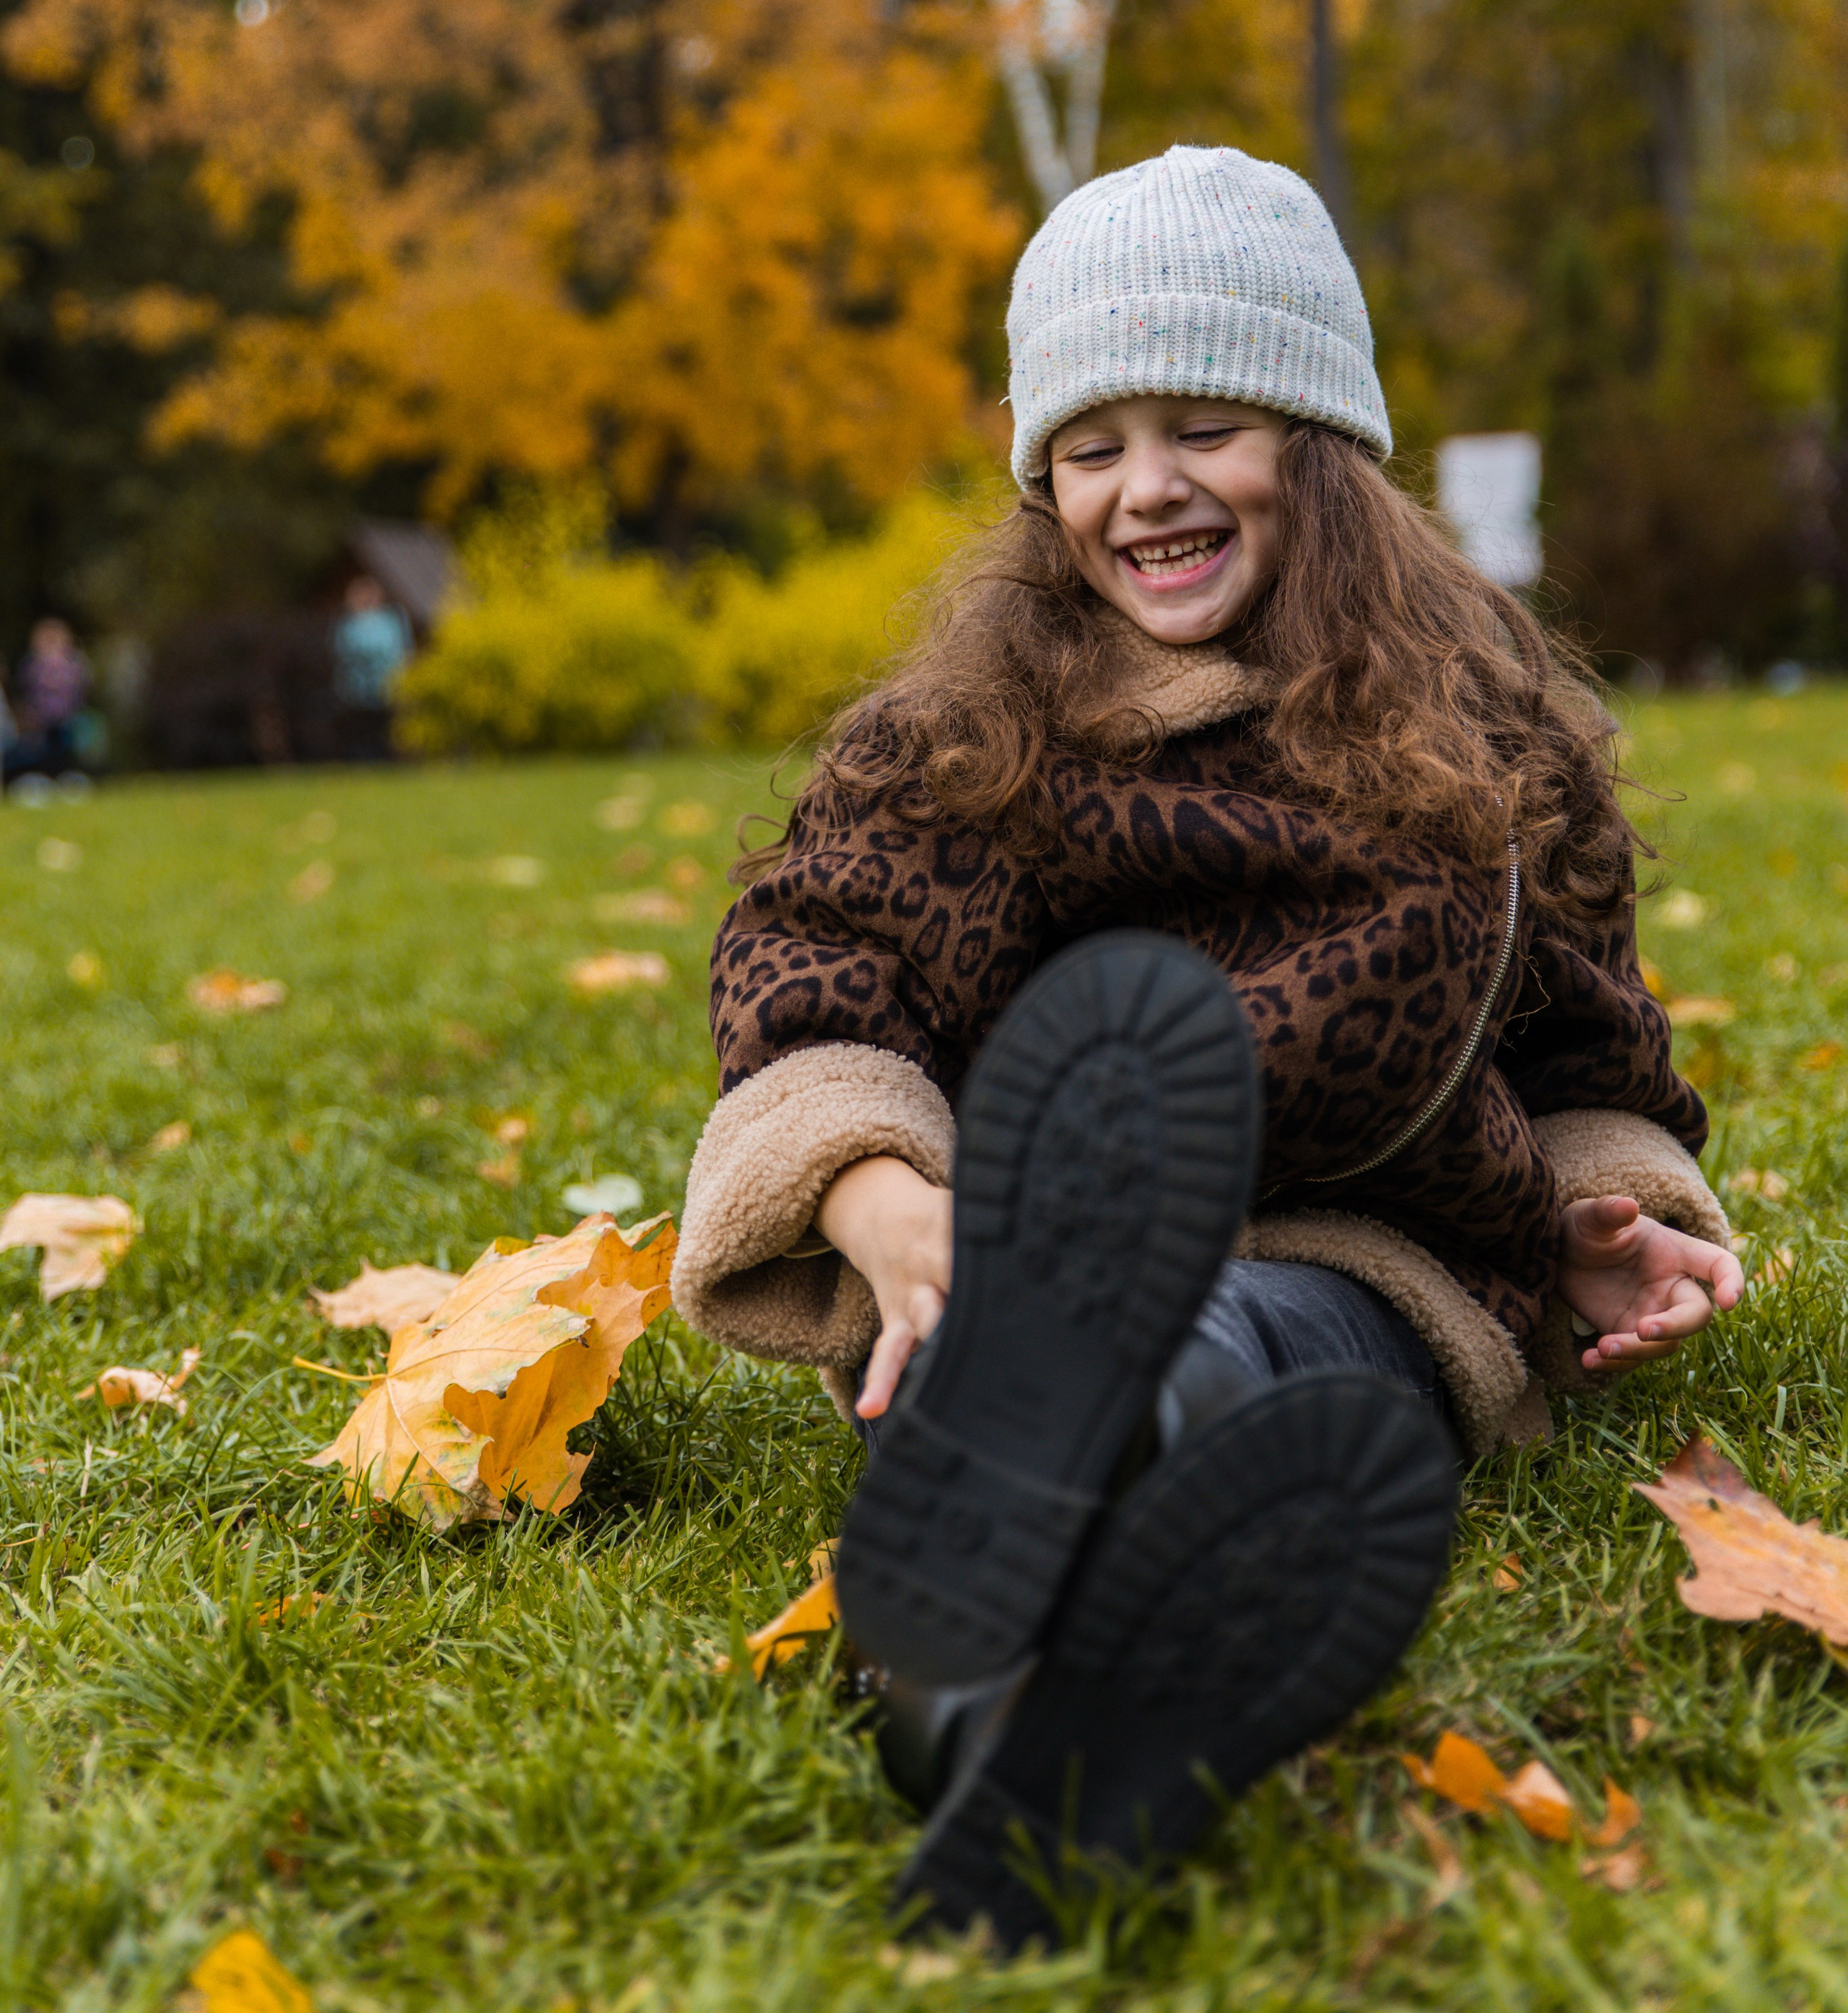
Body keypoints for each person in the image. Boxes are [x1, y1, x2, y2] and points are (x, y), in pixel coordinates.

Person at [671, 147, 1743, 1947]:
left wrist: (1600, 1213)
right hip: (1013, 1250)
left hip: (1363, 1255)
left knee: (1284, 1364)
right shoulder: (971, 737)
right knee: (1063, 1345)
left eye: (1202, 429)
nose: (1145, 487)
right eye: (1090, 447)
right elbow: (812, 961)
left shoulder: (1478, 730)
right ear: (1042, 488)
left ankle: (986, 1670)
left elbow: (1584, 1041)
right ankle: (1046, 1482)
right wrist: (872, 1195)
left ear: (1316, 443)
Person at [331, 573, 412, 758]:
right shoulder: (349, 624)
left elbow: (398, 651)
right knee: (361, 732)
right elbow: (342, 652)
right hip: (356, 690)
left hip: (386, 686)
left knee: (385, 729)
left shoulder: (389, 621)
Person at [7, 617, 92, 781]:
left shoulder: (74, 664)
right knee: (39, 750)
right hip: (39, 720)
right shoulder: (31, 665)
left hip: (67, 718)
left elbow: (82, 688)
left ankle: (68, 775)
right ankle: (42, 776)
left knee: (66, 747)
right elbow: (25, 690)